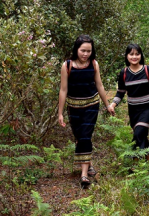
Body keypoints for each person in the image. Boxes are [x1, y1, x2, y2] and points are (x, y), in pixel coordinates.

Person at [58, 35, 115, 187]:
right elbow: (63, 90)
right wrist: (60, 113)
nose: (85, 54)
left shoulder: (94, 64)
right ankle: (88, 164)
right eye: (83, 50)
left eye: (89, 51)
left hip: (91, 105)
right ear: (76, 49)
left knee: (85, 136)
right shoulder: (67, 66)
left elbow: (100, 86)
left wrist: (108, 105)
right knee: (79, 137)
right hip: (73, 107)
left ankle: (84, 176)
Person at [109, 44, 149, 161]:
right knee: (140, 133)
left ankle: (136, 160)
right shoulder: (124, 72)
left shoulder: (147, 70)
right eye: (131, 54)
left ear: (141, 55)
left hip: (148, 108)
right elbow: (120, 92)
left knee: (139, 132)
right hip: (133, 110)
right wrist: (113, 104)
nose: (134, 57)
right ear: (126, 56)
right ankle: (146, 150)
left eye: (137, 54)